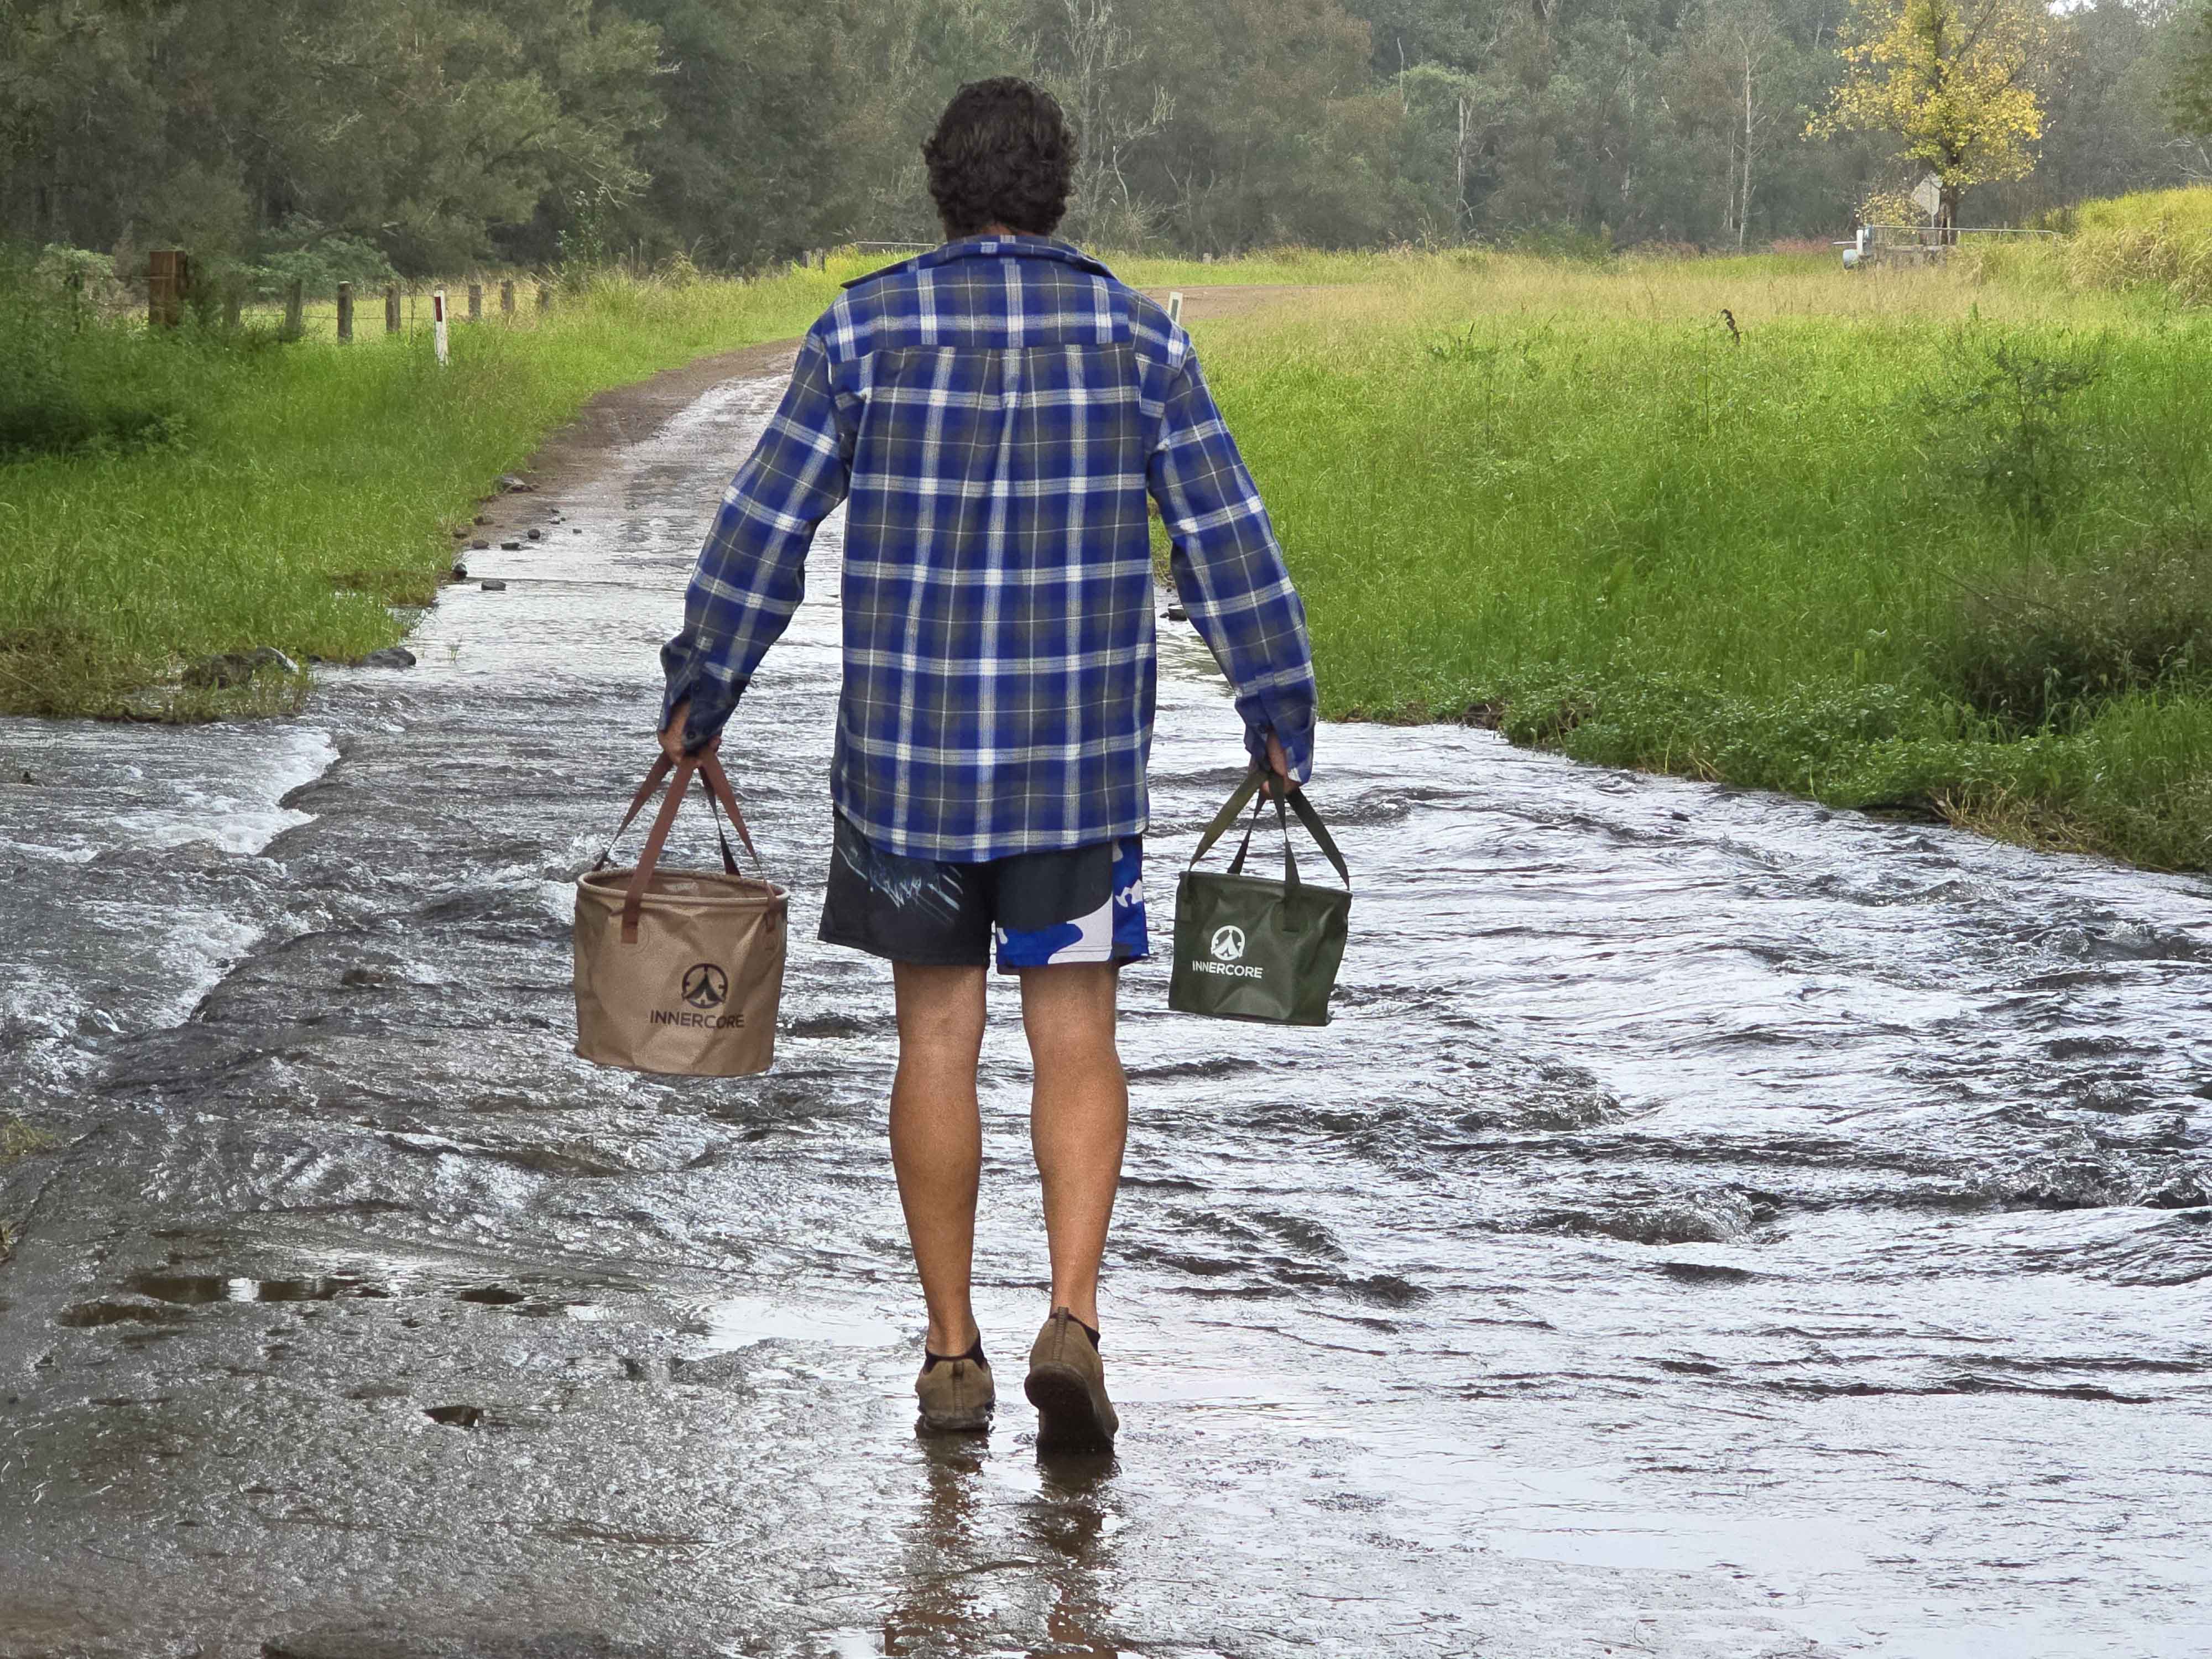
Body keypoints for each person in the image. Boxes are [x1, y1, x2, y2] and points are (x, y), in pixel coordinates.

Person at [656, 77, 1315, 1450]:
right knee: (1076, 1038)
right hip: (1077, 774)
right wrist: (1274, 702)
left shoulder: (864, 330)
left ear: (942, 188)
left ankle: (949, 1355)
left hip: (909, 775)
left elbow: (761, 529)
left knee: (936, 1040)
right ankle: (1070, 1321)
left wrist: (703, 687)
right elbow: (1226, 537)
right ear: (1056, 188)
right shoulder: (1139, 338)